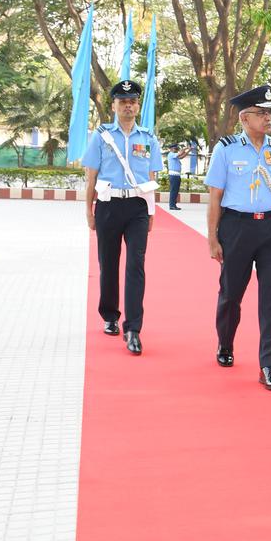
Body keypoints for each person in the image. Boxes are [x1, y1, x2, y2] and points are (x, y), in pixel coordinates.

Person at [204, 85, 271, 391]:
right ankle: (225, 343)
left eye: (270, 112)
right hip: (237, 227)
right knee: (231, 294)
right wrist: (212, 238)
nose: (268, 118)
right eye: (262, 113)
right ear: (245, 118)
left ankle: (268, 365)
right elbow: (215, 196)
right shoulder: (227, 149)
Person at [83, 80, 162, 355]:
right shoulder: (102, 136)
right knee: (108, 262)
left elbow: (151, 179)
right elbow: (91, 175)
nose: (128, 106)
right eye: (123, 102)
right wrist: (88, 210)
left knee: (136, 265)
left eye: (132, 102)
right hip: (108, 205)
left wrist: (152, 212)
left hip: (138, 207)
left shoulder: (148, 139)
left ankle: (133, 328)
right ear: (114, 106)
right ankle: (109, 316)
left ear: (137, 105)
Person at [166, 144, 190, 210]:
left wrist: (189, 150)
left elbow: (182, 156)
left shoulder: (175, 155)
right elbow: (180, 153)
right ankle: (172, 205)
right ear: (171, 149)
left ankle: (174, 204)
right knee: (173, 190)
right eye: (174, 148)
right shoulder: (171, 154)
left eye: (176, 149)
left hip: (177, 175)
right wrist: (185, 148)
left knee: (176, 191)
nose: (176, 150)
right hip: (173, 175)